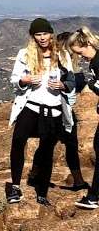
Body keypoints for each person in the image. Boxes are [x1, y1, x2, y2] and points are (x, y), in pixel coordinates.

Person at [7, 18, 73, 205]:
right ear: (33, 36)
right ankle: (15, 186)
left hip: (53, 110)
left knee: (46, 150)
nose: (42, 38)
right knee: (18, 141)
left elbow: (71, 82)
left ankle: (42, 191)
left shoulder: (62, 55)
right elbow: (15, 79)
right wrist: (25, 80)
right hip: (31, 106)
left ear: (51, 34)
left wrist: (62, 85)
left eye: (45, 33)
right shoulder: (25, 54)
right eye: (38, 34)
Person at [26, 32, 89, 191]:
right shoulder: (60, 66)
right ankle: (77, 180)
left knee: (55, 144)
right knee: (55, 143)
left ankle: (35, 175)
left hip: (64, 110)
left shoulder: (67, 66)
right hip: (56, 110)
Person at [66, 26, 99, 209]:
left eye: (80, 52)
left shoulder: (97, 62)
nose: (81, 57)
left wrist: (93, 85)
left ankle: (94, 197)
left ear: (86, 43)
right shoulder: (95, 61)